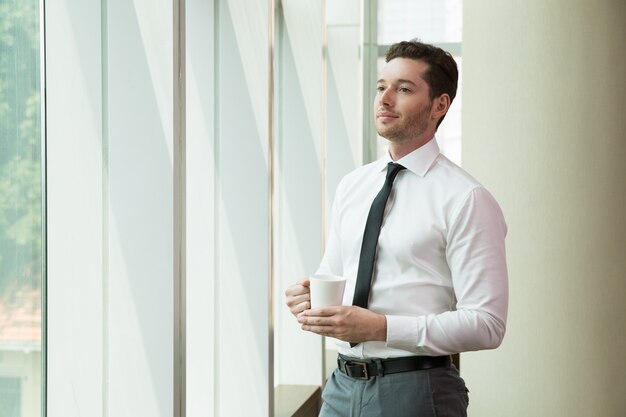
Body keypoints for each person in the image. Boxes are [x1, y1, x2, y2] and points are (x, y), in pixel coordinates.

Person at [285, 39, 508, 417]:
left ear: (440, 105)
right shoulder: (353, 185)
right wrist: (307, 297)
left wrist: (382, 328)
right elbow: (332, 274)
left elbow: (487, 324)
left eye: (403, 89)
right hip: (339, 388)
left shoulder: (466, 198)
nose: (385, 98)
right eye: (381, 86)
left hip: (417, 391)